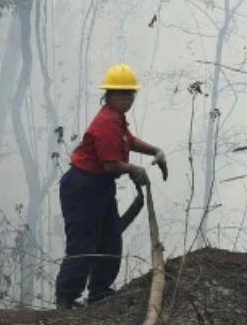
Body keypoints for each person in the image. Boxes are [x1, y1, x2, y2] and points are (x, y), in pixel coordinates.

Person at [56, 63, 167, 309]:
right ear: (108, 95)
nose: (127, 99)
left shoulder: (116, 119)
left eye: (130, 94)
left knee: (110, 239)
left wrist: (155, 150)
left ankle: (99, 291)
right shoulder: (105, 122)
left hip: (100, 186)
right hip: (83, 187)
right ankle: (66, 298)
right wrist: (133, 169)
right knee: (83, 243)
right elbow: (109, 164)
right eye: (121, 94)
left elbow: (128, 140)